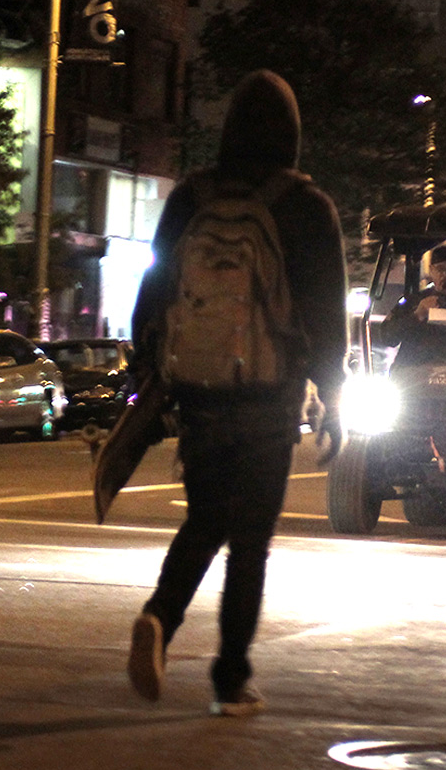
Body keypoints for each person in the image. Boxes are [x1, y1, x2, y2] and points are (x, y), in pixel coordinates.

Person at [125, 69, 346, 716]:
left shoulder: (190, 198)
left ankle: (160, 616)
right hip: (270, 395)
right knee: (250, 542)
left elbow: (153, 291)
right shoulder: (305, 206)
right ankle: (230, 678)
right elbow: (325, 312)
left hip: (199, 389)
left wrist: (149, 371)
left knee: (205, 518)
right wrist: (332, 394)